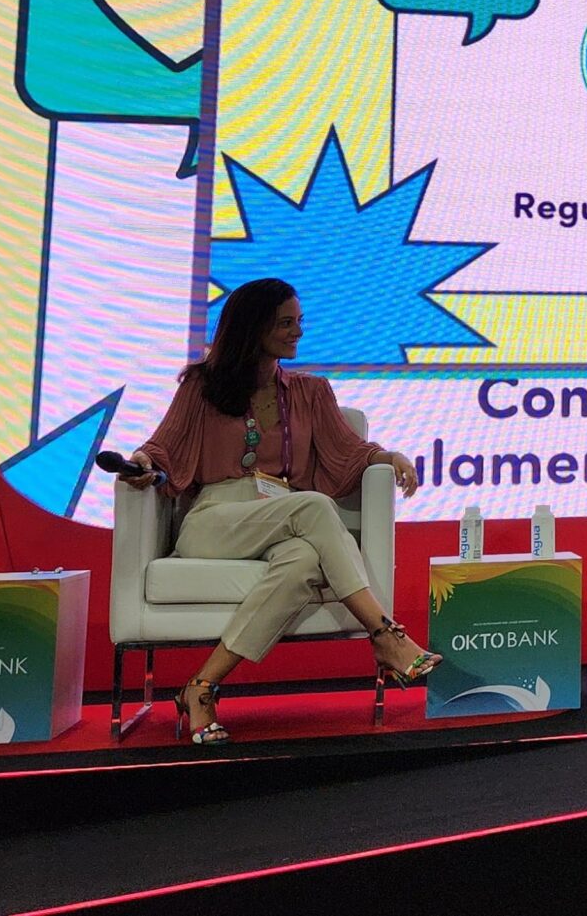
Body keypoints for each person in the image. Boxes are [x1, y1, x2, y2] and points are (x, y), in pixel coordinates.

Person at [116, 278, 439, 744]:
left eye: (299, 321)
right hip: (215, 521)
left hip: (281, 516)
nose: (298, 332)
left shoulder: (311, 391)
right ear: (253, 327)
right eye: (286, 323)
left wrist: (390, 457)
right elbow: (162, 447)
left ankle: (201, 687)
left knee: (304, 559)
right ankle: (385, 634)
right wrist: (142, 465)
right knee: (313, 507)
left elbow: (348, 451)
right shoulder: (203, 386)